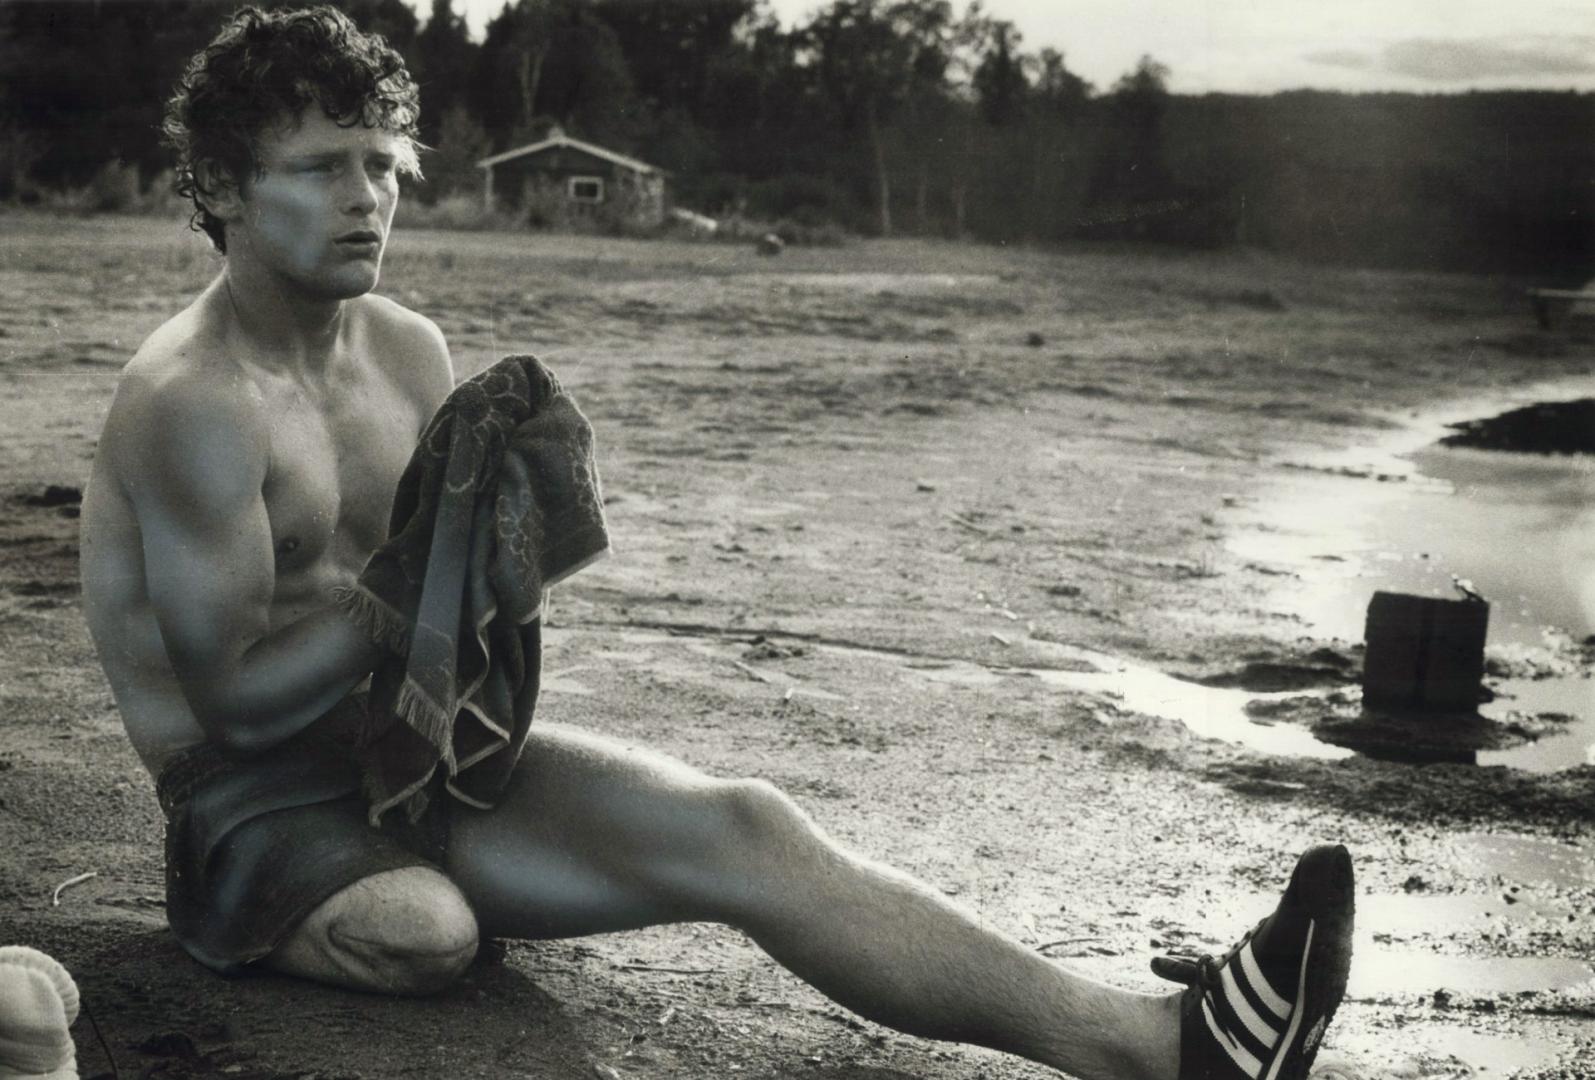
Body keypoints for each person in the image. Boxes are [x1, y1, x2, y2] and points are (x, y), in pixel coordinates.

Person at [77, 8, 1354, 1080]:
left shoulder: (408, 351)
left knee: (748, 825)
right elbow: (233, 709)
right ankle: (344, 904)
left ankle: (1167, 1043)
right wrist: (403, 593)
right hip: (247, 804)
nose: (367, 199)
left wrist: (486, 560)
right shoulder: (196, 403)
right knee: (425, 932)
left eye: (383, 165)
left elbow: (451, 611)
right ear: (224, 187)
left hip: (405, 755)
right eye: (321, 167)